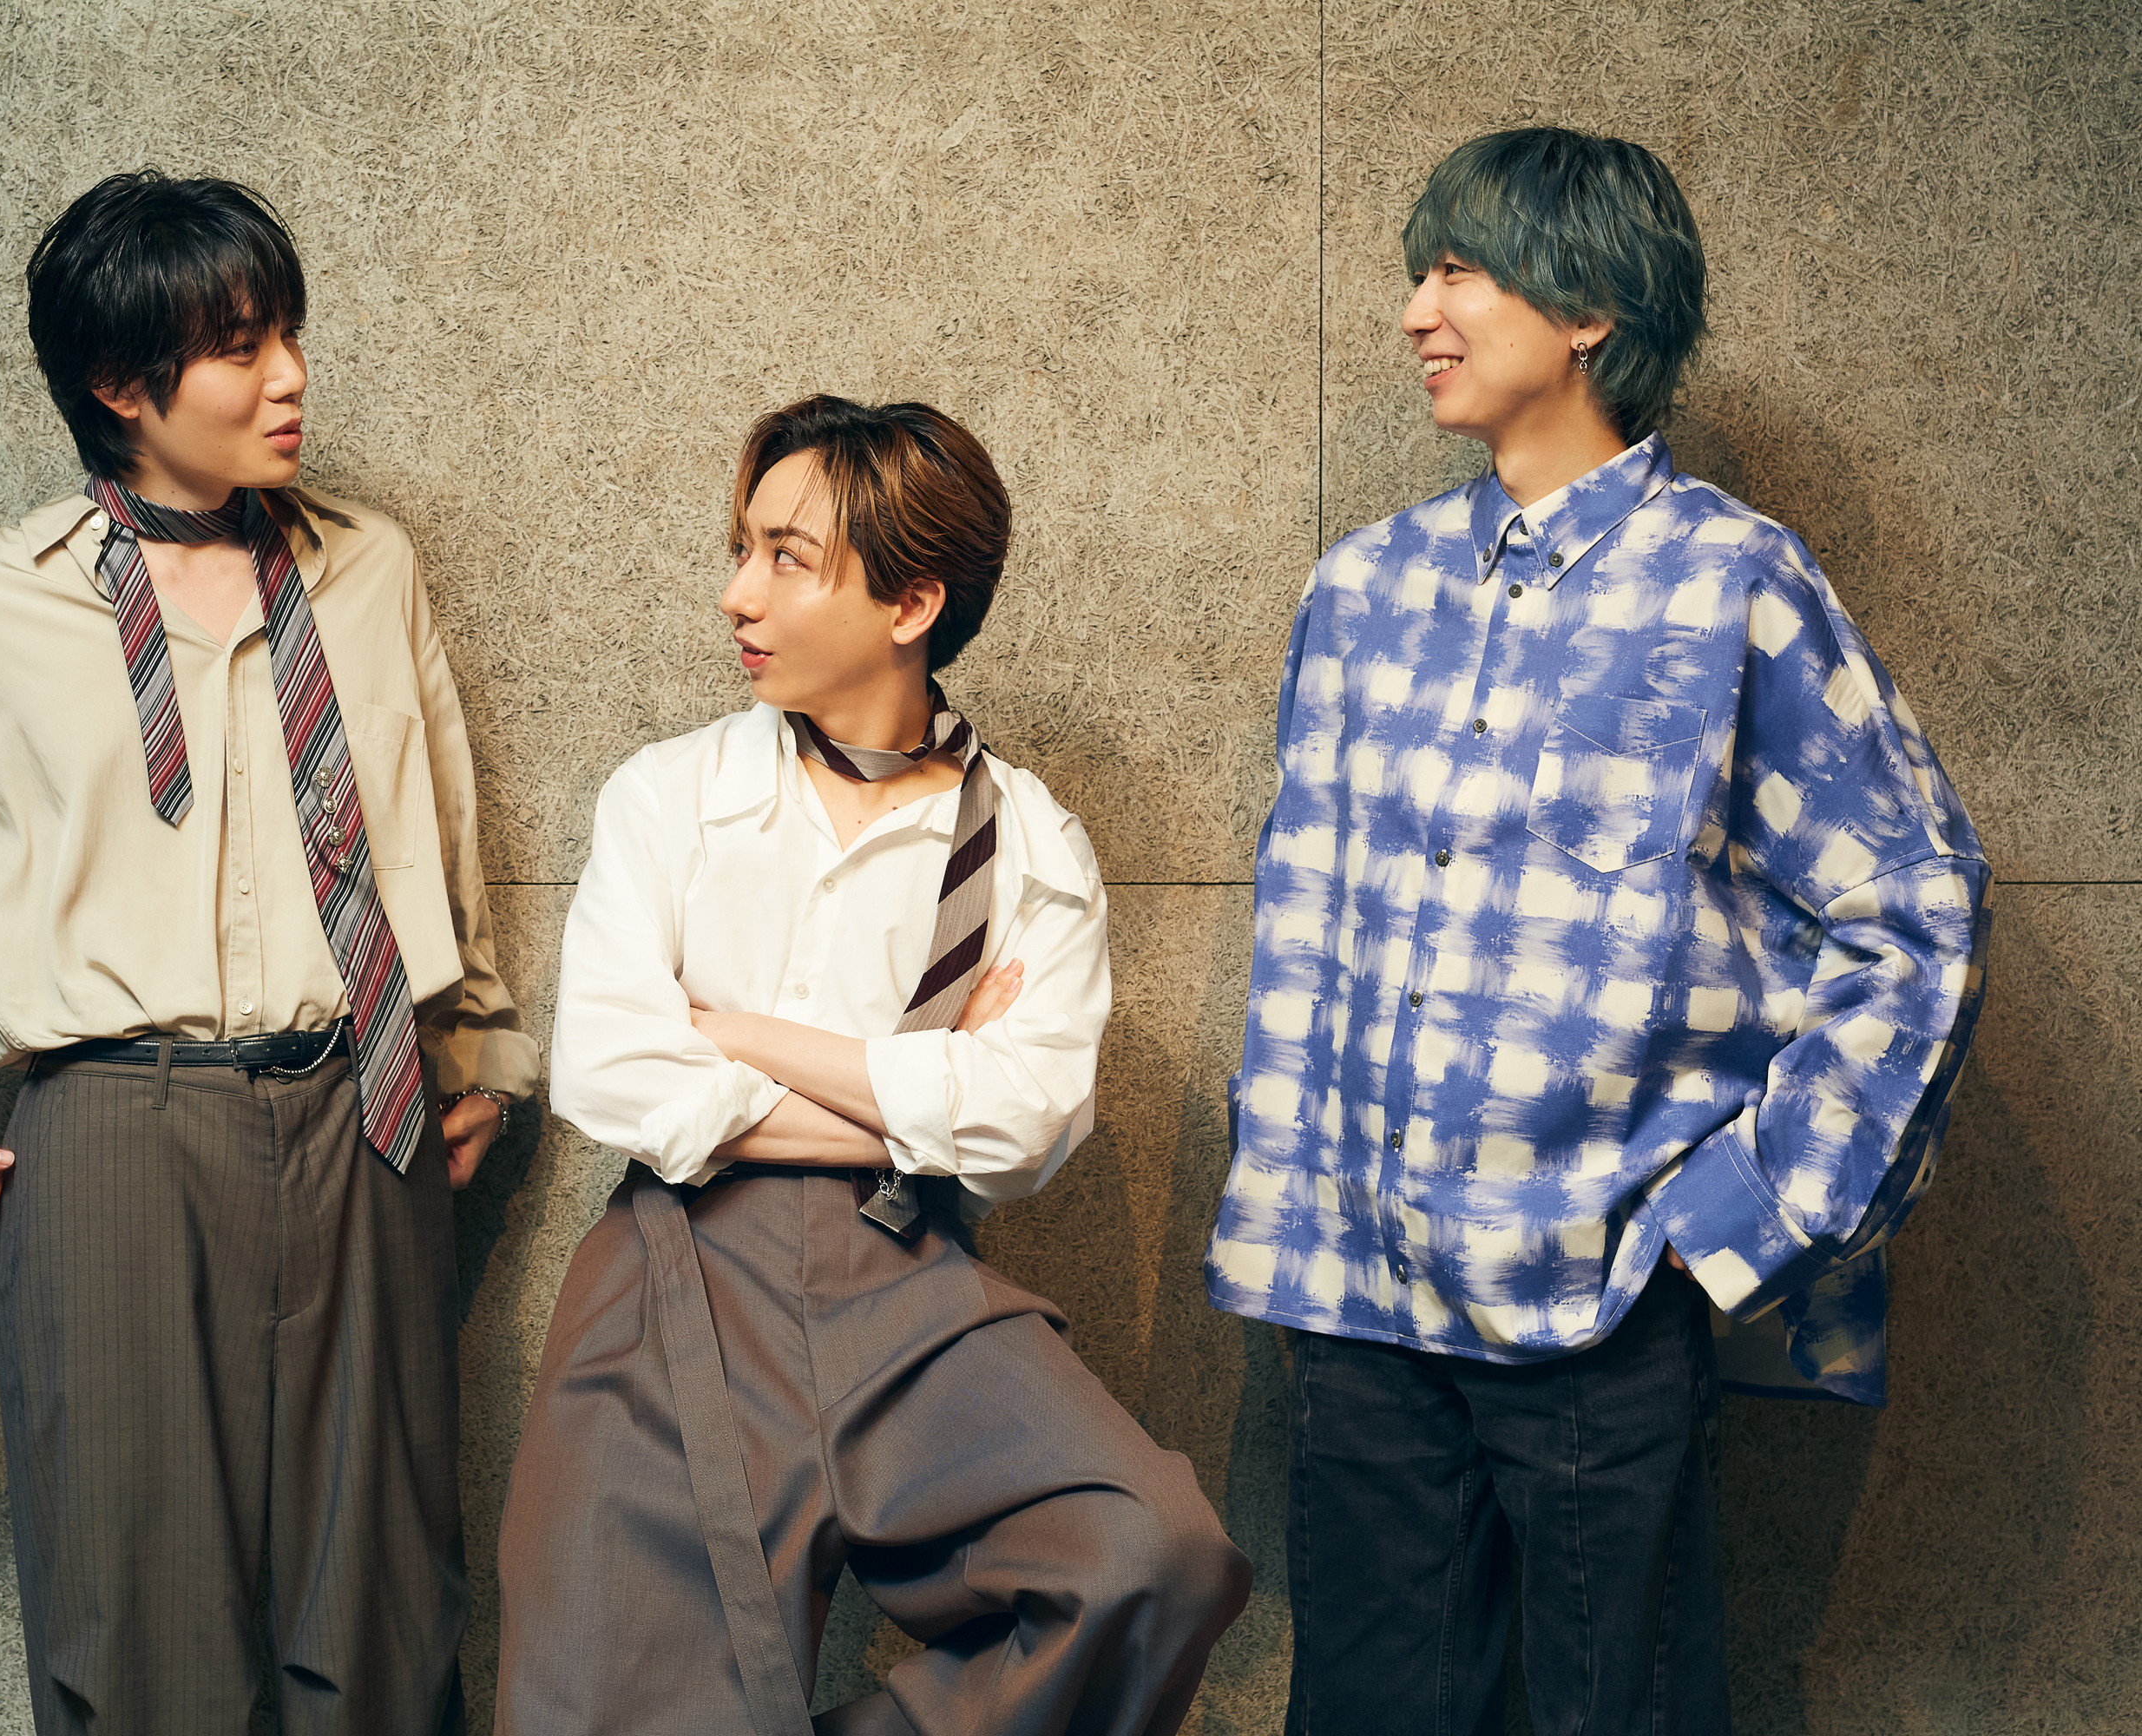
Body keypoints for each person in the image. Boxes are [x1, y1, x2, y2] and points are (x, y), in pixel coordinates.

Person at [1206, 128, 1990, 1735]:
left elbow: (1916, 913)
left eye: (1460, 271)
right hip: (1358, 1299)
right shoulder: (1361, 589)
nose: (1417, 311)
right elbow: (1311, 930)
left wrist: (1731, 1222)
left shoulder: (1732, 583)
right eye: (1417, 272)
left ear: (1589, 310)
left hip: (1595, 1299)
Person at [0, 171, 536, 1735]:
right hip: (116, 1129)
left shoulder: (367, 569)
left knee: (385, 1620)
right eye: (241, 347)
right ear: (120, 382)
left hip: (366, 1116)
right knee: (139, 1628)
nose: (291, 376)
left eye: (289, 332)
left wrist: (476, 1057)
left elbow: (434, 823)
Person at [495, 395, 1250, 1735]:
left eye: (787, 558)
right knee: (613, 1692)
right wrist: (923, 1084)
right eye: (742, 548)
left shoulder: (1029, 842)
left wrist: (737, 1035)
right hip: (676, 1266)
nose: (738, 592)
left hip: (912, 1278)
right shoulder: (671, 795)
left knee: (1151, 1557)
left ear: (912, 603)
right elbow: (613, 1070)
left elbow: (1026, 1128)